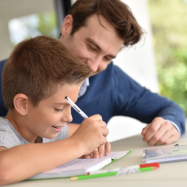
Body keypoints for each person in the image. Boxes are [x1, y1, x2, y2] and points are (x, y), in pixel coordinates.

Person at [0, 0, 185, 149]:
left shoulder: (111, 79)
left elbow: (171, 109)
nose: (94, 67)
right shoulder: (10, 75)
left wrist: (170, 126)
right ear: (67, 26)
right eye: (91, 47)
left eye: (107, 58)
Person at [0, 36, 109, 185]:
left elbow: (81, 131)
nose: (69, 117)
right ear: (23, 104)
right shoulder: (3, 132)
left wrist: (95, 136)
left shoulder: (41, 130)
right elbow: (4, 169)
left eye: (71, 106)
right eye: (59, 108)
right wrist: (79, 144)